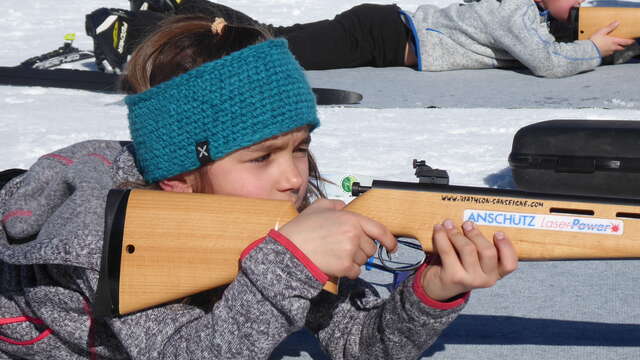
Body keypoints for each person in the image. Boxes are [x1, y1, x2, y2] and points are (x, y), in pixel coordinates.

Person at [0, 14, 518, 359]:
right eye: (261, 157)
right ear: (178, 180)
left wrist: (433, 291)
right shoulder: (110, 242)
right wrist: (290, 263)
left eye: (298, 147)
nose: (293, 178)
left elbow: (354, 343)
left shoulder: (279, 211)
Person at [86, 0, 638, 77]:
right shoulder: (513, 12)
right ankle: (132, 32)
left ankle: (177, 9)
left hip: (379, 32)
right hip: (377, 37)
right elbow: (548, 63)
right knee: (268, 47)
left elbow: (547, 46)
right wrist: (597, 49)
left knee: (270, 37)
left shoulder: (529, 17)